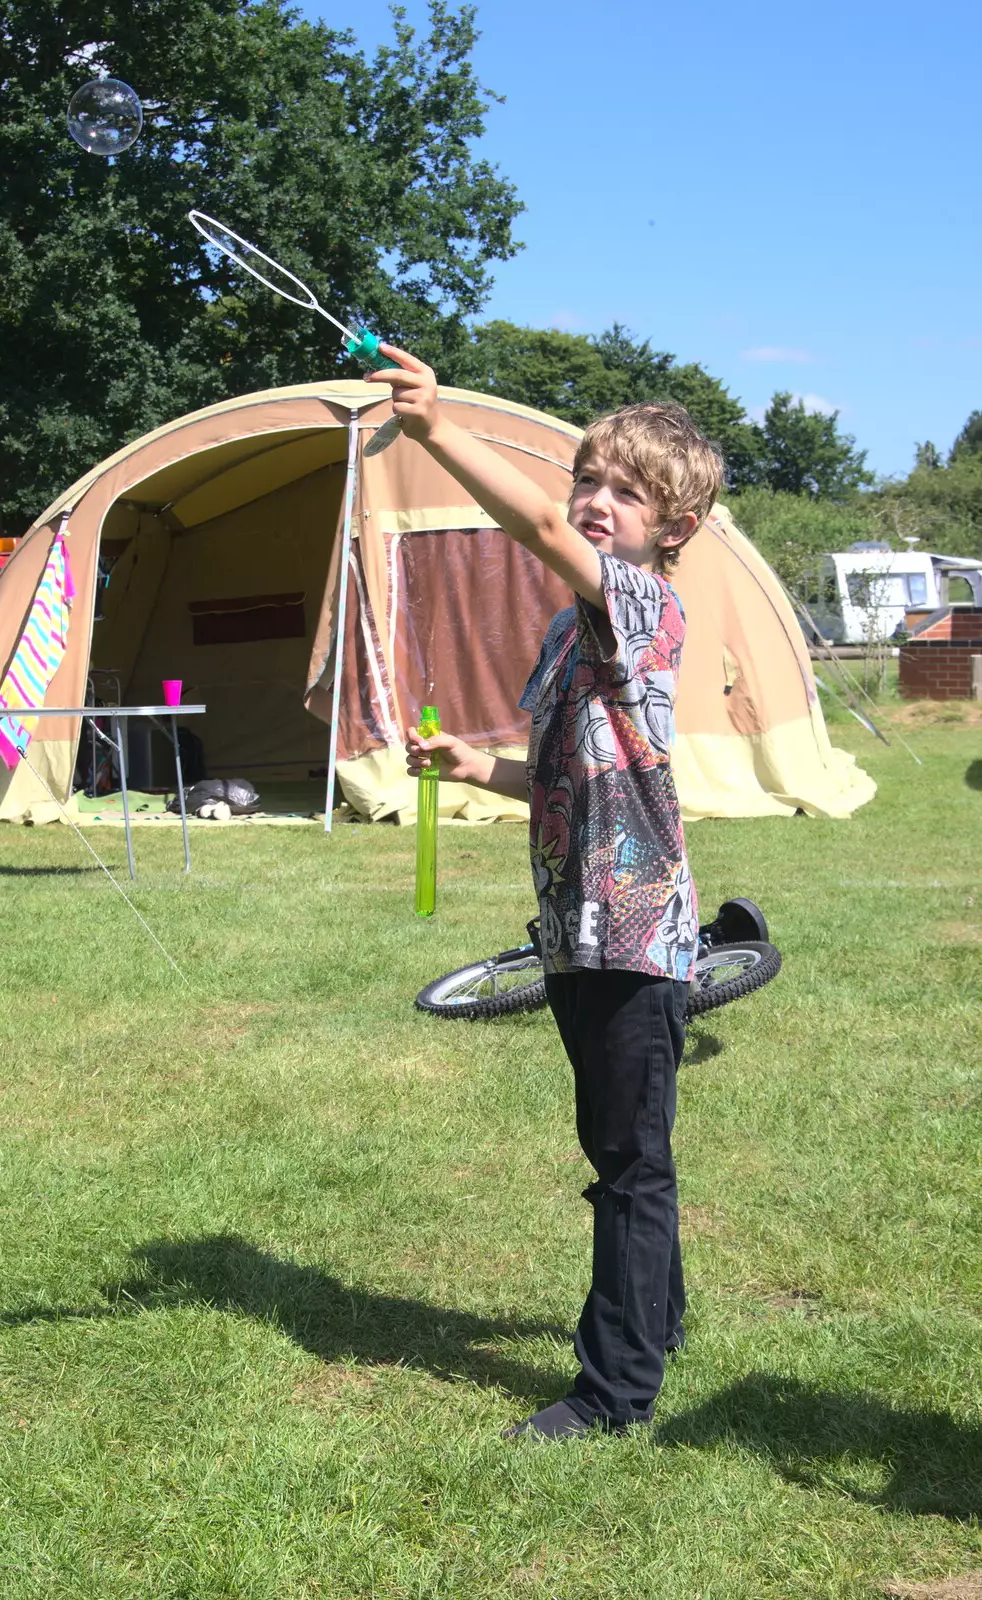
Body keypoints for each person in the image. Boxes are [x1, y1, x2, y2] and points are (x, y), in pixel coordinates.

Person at [368, 348, 723, 1439]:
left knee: (627, 1163)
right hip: (573, 929)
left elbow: (532, 528)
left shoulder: (638, 603)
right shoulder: (570, 630)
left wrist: (434, 429)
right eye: (589, 478)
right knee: (616, 1150)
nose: (594, 499)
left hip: (633, 929)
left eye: (627, 490)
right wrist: (477, 771)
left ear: (673, 527)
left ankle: (611, 1394)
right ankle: (651, 1324)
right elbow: (566, 771)